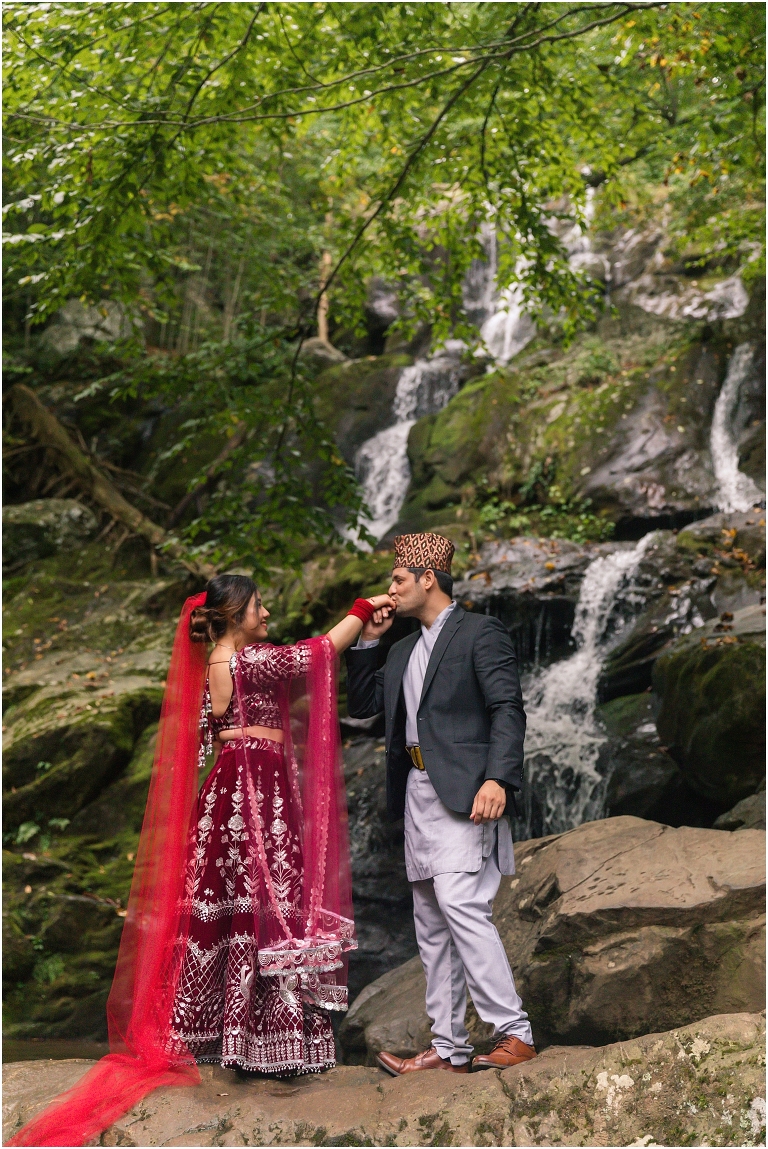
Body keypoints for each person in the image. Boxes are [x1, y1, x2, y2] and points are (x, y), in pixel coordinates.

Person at [9, 575, 393, 1148]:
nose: (268, 611)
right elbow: (316, 653)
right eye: (259, 605)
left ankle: (227, 1035)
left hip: (232, 791)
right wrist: (362, 609)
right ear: (236, 614)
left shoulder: (221, 661)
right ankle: (267, 1043)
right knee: (269, 906)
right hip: (255, 794)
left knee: (237, 908)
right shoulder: (250, 660)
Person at [345, 532, 536, 1075]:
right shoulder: (403, 648)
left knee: (461, 905)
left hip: (468, 793)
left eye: (398, 579)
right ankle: (449, 1047)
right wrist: (368, 641)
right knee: (430, 922)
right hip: (418, 794)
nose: (390, 589)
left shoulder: (480, 632)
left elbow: (507, 708)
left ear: (428, 579)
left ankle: (513, 1032)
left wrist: (498, 778)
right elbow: (362, 706)